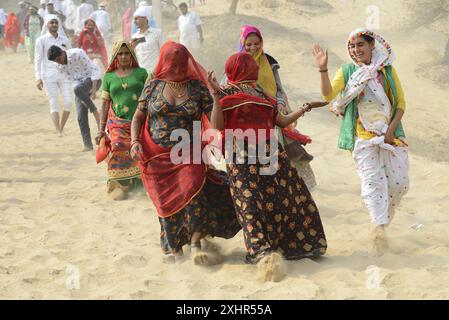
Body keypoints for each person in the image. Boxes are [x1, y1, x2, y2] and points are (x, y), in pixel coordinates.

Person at [207, 52, 328, 281]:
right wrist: (215, 97)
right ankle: (260, 251)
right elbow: (217, 126)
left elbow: (281, 121)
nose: (254, 66)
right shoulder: (227, 92)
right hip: (241, 158)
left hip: (271, 155)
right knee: (249, 203)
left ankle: (286, 246)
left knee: (282, 201)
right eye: (249, 65)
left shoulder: (261, 92)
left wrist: (305, 107)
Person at [130, 41, 241, 265]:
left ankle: (195, 241)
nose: (179, 69)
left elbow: (217, 124)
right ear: (164, 63)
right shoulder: (152, 86)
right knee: (165, 205)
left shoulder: (198, 88)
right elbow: (138, 117)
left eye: (182, 64)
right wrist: (134, 142)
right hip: (155, 156)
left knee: (193, 190)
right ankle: (175, 249)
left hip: (188, 153)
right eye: (174, 64)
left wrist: (216, 97)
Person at [312, 28, 409, 256]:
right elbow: (328, 95)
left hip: (389, 135)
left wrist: (391, 131)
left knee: (398, 184)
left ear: (372, 46)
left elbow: (401, 104)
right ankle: (378, 230)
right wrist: (323, 69)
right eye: (352, 47)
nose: (356, 50)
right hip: (362, 139)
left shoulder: (387, 72)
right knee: (372, 182)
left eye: (360, 45)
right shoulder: (347, 71)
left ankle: (383, 222)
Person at [223, 25, 317, 190]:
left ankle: (290, 187)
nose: (253, 48)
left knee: (281, 151)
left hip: (270, 115)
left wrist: (280, 104)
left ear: (261, 43)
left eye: (256, 43)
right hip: (244, 122)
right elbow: (227, 88)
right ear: (242, 44)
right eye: (249, 44)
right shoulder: (236, 63)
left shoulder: (270, 63)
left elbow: (278, 89)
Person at [96, 41, 148, 200]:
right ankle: (118, 186)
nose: (124, 56)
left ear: (132, 54)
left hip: (140, 121)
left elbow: (150, 98)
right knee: (118, 145)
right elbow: (105, 104)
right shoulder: (108, 76)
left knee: (143, 149)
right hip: (118, 123)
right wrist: (101, 129)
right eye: (120, 53)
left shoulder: (142, 73)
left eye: (127, 53)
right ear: (115, 56)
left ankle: (141, 185)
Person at [48, 45, 102, 151]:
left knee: (77, 89)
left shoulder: (77, 53)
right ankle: (88, 145)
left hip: (93, 80)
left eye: (60, 59)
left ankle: (94, 110)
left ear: (63, 52)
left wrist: (94, 90)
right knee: (80, 116)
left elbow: (94, 70)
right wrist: (83, 98)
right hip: (79, 88)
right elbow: (72, 81)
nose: (60, 63)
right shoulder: (59, 67)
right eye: (57, 61)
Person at [35, 14, 72, 135]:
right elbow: (38, 60)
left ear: (59, 25)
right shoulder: (41, 40)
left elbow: (70, 57)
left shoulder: (65, 40)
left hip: (64, 75)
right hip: (48, 75)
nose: (54, 24)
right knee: (54, 102)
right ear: (47, 24)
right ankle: (58, 130)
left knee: (68, 101)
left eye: (56, 22)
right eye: (52, 22)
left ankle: (61, 126)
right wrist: (38, 78)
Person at [131, 5, 164, 73]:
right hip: (141, 74)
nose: (134, 21)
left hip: (156, 73)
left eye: (137, 18)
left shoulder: (157, 33)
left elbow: (163, 53)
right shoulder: (134, 37)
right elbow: (134, 56)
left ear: (145, 18)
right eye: (134, 19)